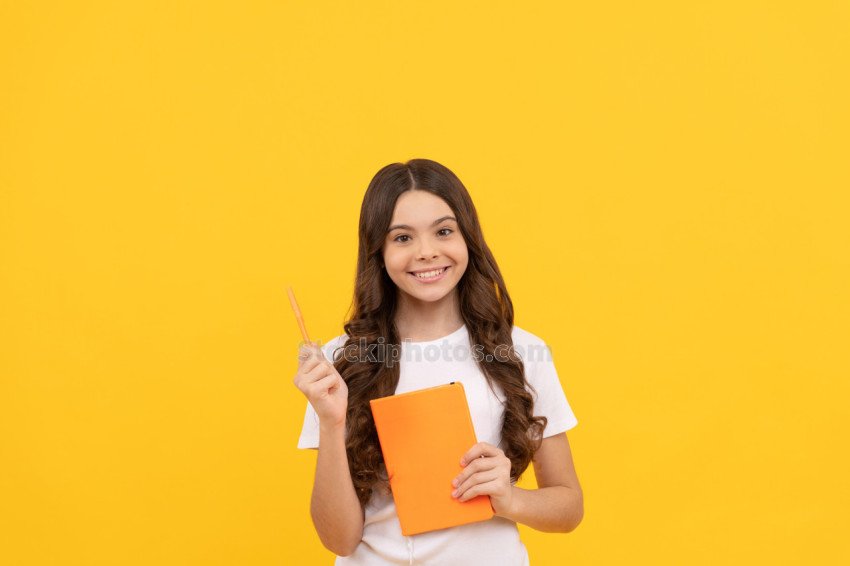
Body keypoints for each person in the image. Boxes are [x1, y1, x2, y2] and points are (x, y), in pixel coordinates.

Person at [293, 158, 583, 565]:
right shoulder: (340, 362)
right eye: (403, 238)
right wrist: (330, 420)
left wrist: (507, 498)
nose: (427, 253)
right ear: (378, 252)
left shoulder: (521, 352)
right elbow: (339, 539)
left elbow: (569, 508)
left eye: (443, 231)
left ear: (468, 239)